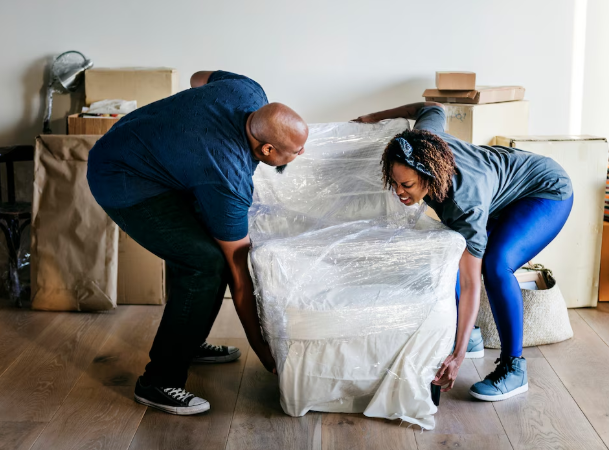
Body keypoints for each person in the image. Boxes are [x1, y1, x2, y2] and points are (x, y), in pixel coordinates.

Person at [87, 70, 308, 415]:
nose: (301, 153)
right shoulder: (227, 175)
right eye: (295, 151)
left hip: (136, 144)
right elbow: (239, 276)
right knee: (205, 263)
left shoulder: (247, 91)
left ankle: (187, 342)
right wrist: (263, 352)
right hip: (120, 177)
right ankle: (158, 381)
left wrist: (191, 127)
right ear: (267, 149)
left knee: (201, 252)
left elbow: (197, 78)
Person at [354, 103, 573, 401]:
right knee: (450, 256)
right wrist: (374, 116)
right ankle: (469, 336)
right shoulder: (422, 140)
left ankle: (514, 368)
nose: (398, 192)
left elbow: (471, 284)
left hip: (545, 189)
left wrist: (456, 357)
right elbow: (431, 107)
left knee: (496, 265)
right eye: (393, 182)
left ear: (430, 176)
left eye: (407, 185)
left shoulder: (464, 205)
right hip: (498, 192)